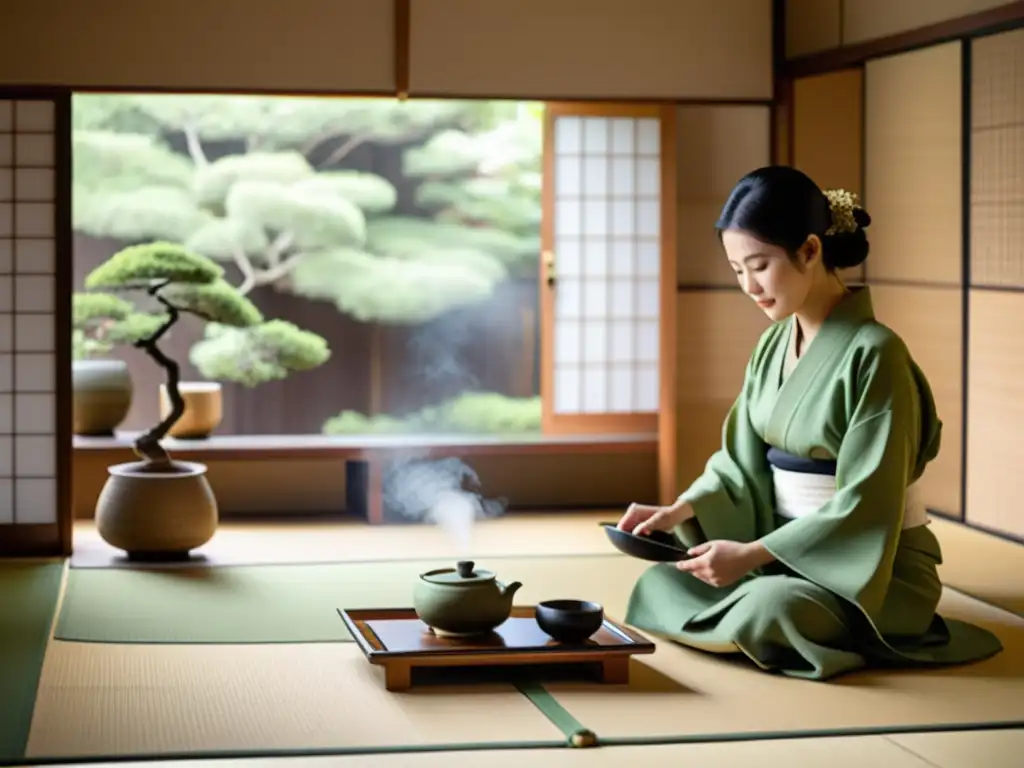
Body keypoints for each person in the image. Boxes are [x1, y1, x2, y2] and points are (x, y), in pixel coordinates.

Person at [618, 166, 1003, 680]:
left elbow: (871, 500)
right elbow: (740, 461)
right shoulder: (772, 344)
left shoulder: (877, 354)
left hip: (871, 566)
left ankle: (778, 608)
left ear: (810, 251)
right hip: (783, 551)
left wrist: (752, 554)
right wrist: (680, 509)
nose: (749, 286)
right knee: (660, 585)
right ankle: (755, 598)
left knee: (770, 608)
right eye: (736, 271)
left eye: (759, 265)